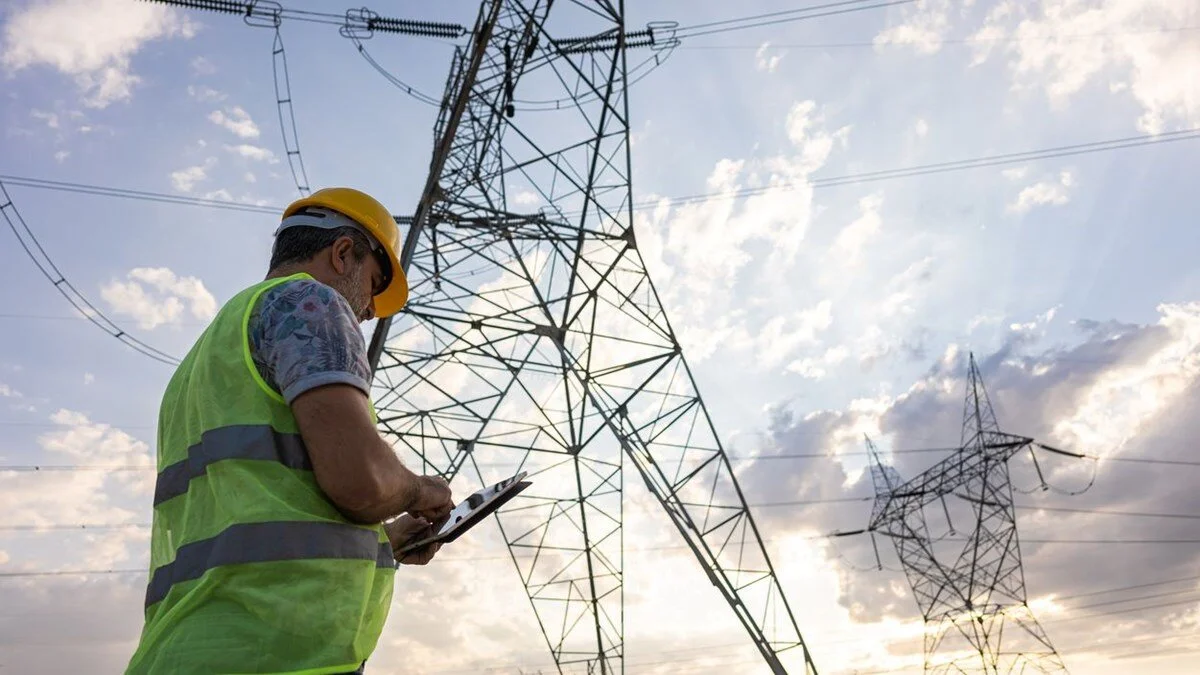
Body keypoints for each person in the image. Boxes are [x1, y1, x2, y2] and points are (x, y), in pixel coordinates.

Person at [124, 187, 455, 675]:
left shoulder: (208, 353)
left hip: (192, 646)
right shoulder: (310, 303)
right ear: (343, 253)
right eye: (374, 282)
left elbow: (259, 509)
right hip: (273, 650)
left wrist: (384, 541)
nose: (369, 312)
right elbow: (360, 482)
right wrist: (420, 489)